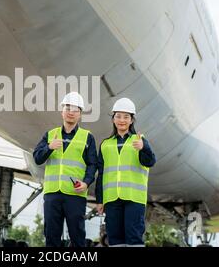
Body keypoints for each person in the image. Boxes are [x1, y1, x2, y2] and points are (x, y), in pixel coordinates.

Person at [33, 92, 97, 247]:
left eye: (75, 109)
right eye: (68, 108)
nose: (71, 112)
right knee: (51, 237)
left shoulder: (87, 137)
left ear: (80, 114)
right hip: (52, 194)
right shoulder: (50, 135)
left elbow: (92, 164)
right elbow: (37, 158)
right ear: (62, 111)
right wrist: (49, 147)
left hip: (75, 194)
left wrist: (86, 183)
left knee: (77, 237)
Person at [95, 98, 156, 247]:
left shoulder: (139, 140)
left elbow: (150, 161)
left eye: (126, 117)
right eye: (118, 116)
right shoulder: (105, 144)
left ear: (132, 120)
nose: (122, 120)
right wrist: (100, 200)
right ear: (113, 119)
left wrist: (144, 148)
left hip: (134, 199)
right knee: (115, 240)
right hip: (112, 199)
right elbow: (101, 174)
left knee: (134, 238)